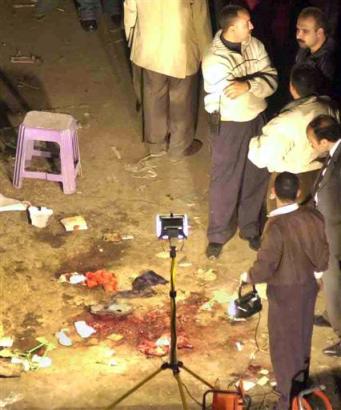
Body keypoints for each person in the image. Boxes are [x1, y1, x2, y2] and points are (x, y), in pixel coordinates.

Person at [240, 172, 329, 410]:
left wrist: (248, 277)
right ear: (298, 192)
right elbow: (322, 253)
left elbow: (266, 265)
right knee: (302, 339)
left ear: (273, 193)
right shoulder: (313, 215)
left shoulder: (275, 226)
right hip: (308, 287)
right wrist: (318, 276)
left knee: (283, 348)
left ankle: (287, 402)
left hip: (284, 293)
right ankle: (301, 392)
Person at [202, 4, 278, 258]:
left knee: (257, 173)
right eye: (247, 23)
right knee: (226, 179)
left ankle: (250, 228)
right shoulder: (214, 59)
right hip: (230, 123)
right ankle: (218, 234)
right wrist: (255, 84)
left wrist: (249, 83)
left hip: (256, 117)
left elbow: (272, 80)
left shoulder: (254, 45)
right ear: (232, 28)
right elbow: (234, 95)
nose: (252, 26)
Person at [124, 0, 212, 161]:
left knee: (153, 97)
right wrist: (206, 52)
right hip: (180, 49)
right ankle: (179, 147)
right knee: (181, 101)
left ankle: (156, 144)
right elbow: (200, 19)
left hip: (149, 47)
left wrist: (132, 38)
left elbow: (130, 8)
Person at [248, 64, 339, 203]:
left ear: (291, 86)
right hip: (320, 175)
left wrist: (254, 142)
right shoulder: (328, 106)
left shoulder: (284, 123)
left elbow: (259, 157)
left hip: (289, 183)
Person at [307, 114, 341, 357]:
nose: (311, 146)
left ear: (325, 141)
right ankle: (332, 314)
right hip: (330, 226)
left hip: (335, 231)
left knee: (334, 279)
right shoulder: (334, 155)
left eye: (312, 141)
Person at [296, 7, 336, 94]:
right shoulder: (304, 49)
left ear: (319, 33)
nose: (298, 36)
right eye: (298, 30)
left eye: (305, 31)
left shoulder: (328, 62)